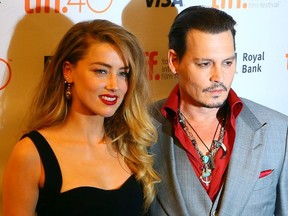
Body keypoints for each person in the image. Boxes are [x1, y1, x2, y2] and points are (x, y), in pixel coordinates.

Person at [3, 19, 159, 216]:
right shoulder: (31, 154)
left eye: (123, 74)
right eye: (101, 71)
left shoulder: (131, 145)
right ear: (68, 71)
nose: (115, 85)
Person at [148, 5, 288, 216]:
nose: (218, 77)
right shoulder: (138, 127)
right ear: (174, 61)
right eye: (205, 64)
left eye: (228, 62)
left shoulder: (277, 129)